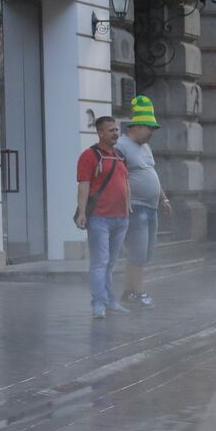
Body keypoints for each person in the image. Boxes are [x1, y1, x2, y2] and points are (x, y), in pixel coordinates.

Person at [115, 96, 170, 310]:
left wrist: (163, 197)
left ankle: (128, 292)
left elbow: (151, 173)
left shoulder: (145, 147)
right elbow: (118, 177)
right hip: (134, 207)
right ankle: (139, 293)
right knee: (138, 252)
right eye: (149, 128)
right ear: (136, 126)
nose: (152, 132)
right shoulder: (121, 146)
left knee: (144, 254)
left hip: (151, 207)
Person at [76, 116, 131, 320]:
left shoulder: (120, 156)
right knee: (100, 262)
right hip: (99, 217)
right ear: (100, 133)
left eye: (117, 129)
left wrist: (128, 206)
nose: (116, 133)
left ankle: (110, 301)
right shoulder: (89, 156)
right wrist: (82, 213)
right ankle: (98, 303)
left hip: (121, 218)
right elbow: (83, 185)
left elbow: (126, 183)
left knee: (110, 263)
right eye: (111, 130)